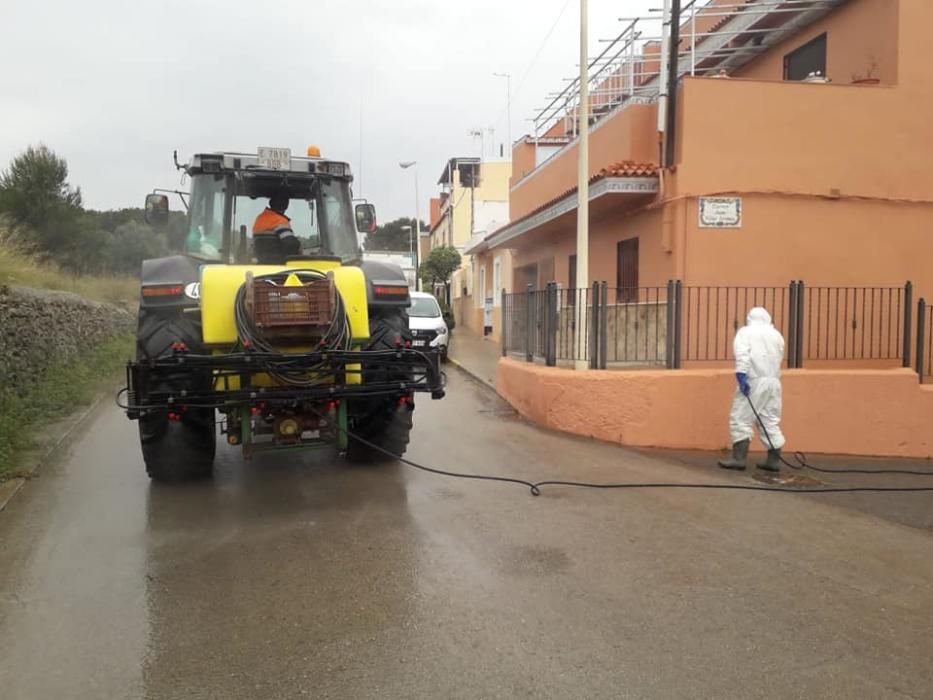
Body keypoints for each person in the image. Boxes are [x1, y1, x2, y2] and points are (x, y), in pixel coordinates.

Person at [718, 306, 786, 473]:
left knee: (740, 417)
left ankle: (738, 459)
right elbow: (779, 356)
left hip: (754, 380)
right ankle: (773, 460)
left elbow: (743, 355)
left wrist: (741, 375)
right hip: (774, 382)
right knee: (769, 419)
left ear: (750, 318)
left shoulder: (745, 333)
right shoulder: (777, 335)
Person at [252, 192, 300, 264]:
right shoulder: (279, 220)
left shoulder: (260, 218)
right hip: (278, 264)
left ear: (271, 203)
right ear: (286, 205)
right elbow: (290, 244)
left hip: (262, 264)